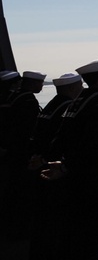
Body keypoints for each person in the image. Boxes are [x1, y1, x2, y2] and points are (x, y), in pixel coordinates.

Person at [43, 58, 98, 260]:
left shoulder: (79, 100)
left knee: (74, 228)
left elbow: (62, 136)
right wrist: (69, 166)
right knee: (90, 231)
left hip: (73, 175)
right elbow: (92, 144)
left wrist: (63, 165)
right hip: (90, 177)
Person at [27, 72, 84, 260]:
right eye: (79, 86)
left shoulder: (51, 106)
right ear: (71, 88)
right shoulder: (67, 107)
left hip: (41, 164)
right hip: (55, 168)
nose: (82, 89)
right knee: (58, 217)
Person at [0, 70, 45, 255]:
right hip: (23, 155)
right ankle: (21, 231)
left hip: (11, 154)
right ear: (33, 84)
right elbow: (28, 131)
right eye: (40, 83)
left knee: (14, 192)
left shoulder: (12, 98)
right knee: (23, 193)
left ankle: (13, 229)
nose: (41, 86)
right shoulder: (27, 101)